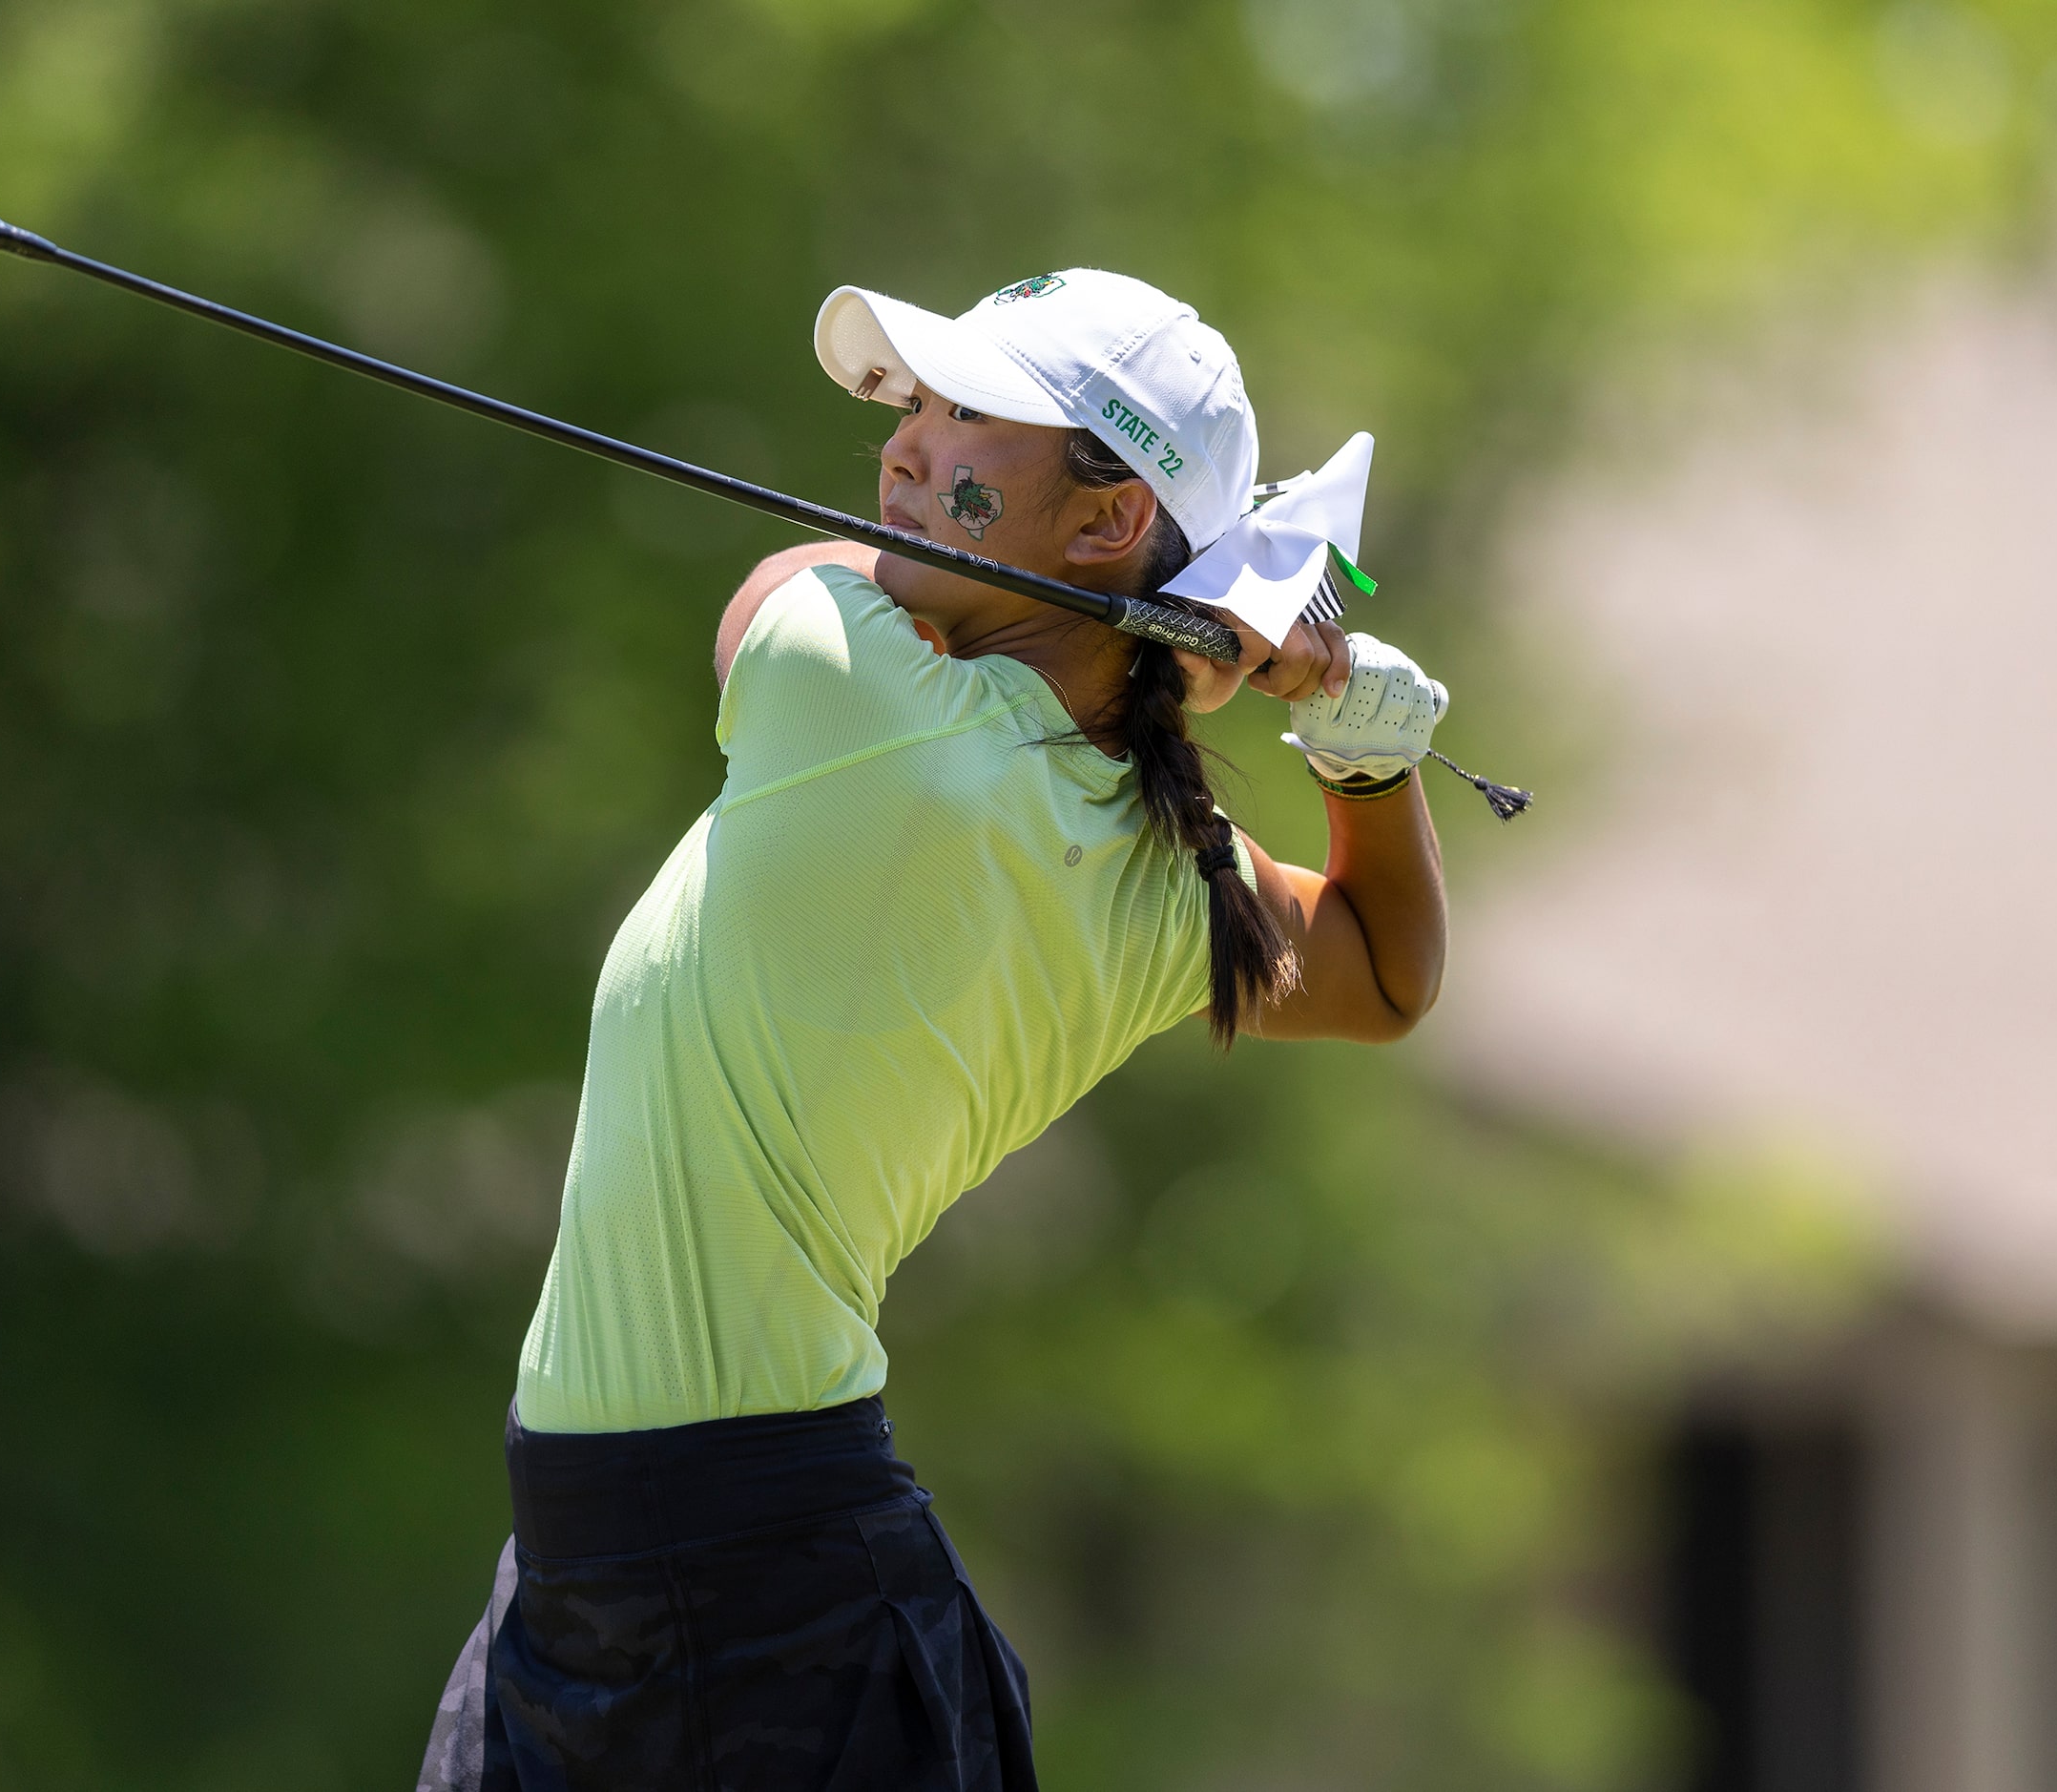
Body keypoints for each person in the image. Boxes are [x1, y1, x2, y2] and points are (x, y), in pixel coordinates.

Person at [418, 269, 1450, 1791]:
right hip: (652, 1569)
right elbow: (1383, 968)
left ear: (1103, 527)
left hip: (753, 1594)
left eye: (964, 415)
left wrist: (1192, 638)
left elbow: (775, 585)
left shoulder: (851, 693)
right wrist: (1354, 753)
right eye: (912, 406)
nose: (903, 445)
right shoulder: (1168, 861)